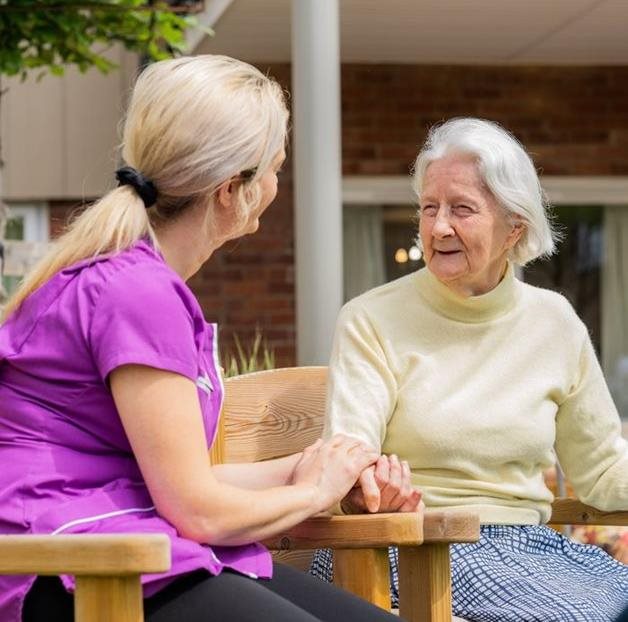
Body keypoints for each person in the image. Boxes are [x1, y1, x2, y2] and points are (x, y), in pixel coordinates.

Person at [0, 55, 405, 622]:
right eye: (273, 170)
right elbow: (197, 510)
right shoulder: (137, 291)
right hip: (71, 563)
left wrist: (310, 467)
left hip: (115, 536)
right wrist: (312, 493)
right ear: (230, 190)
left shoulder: (132, 278)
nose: (275, 186)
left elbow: (179, 480)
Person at [310, 118, 628, 621]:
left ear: (514, 229)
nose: (438, 228)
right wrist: (369, 489)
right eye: (429, 208)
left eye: (462, 209)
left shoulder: (554, 321)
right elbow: (350, 459)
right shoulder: (370, 319)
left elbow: (603, 468)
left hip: (529, 553)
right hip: (413, 545)